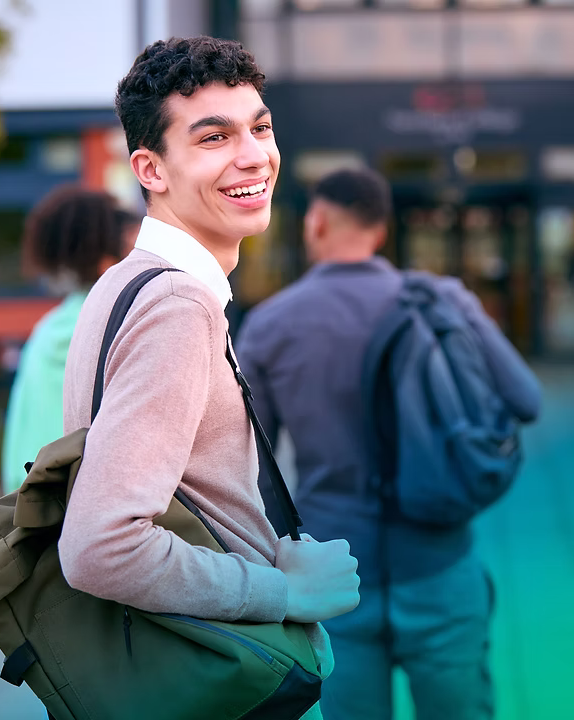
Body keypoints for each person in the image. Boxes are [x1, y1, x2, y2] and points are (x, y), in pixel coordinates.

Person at [58, 37, 360, 719]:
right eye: (214, 137)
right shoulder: (176, 306)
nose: (253, 155)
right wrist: (285, 594)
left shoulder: (126, 284)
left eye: (260, 127)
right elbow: (100, 546)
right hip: (224, 684)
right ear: (151, 170)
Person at [236, 168, 542, 720]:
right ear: (380, 231)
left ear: (317, 223)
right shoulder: (442, 300)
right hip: (441, 562)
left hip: (335, 578)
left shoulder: (272, 323)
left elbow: (251, 467)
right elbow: (526, 399)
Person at [1, 185, 140, 494]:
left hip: (28, 508)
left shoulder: (51, 327)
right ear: (107, 261)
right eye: (135, 241)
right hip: (75, 512)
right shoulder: (114, 324)